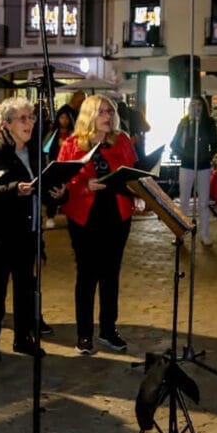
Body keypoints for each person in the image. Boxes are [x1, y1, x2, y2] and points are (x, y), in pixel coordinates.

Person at [0, 97, 65, 360]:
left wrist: (59, 195)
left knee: (26, 288)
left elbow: (44, 186)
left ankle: (23, 338)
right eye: (23, 118)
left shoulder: (36, 151)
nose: (29, 123)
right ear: (6, 124)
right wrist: (15, 189)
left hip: (29, 231)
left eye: (31, 118)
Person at [58, 95, 139, 354]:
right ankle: (84, 334)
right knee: (86, 275)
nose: (108, 116)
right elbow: (61, 181)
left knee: (110, 274)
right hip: (85, 216)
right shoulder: (71, 144)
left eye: (110, 111)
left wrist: (138, 192)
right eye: (102, 111)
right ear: (89, 115)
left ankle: (108, 330)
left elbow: (134, 170)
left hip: (117, 214)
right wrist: (84, 186)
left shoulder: (122, 140)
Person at [171, 96, 217, 246]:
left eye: (199, 104)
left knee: (204, 202)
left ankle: (204, 235)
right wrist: (184, 155)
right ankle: (180, 234)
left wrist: (208, 156)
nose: (196, 107)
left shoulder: (209, 123)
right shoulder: (184, 122)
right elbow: (174, 143)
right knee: (184, 200)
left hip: (203, 166)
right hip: (187, 165)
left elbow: (215, 144)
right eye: (193, 104)